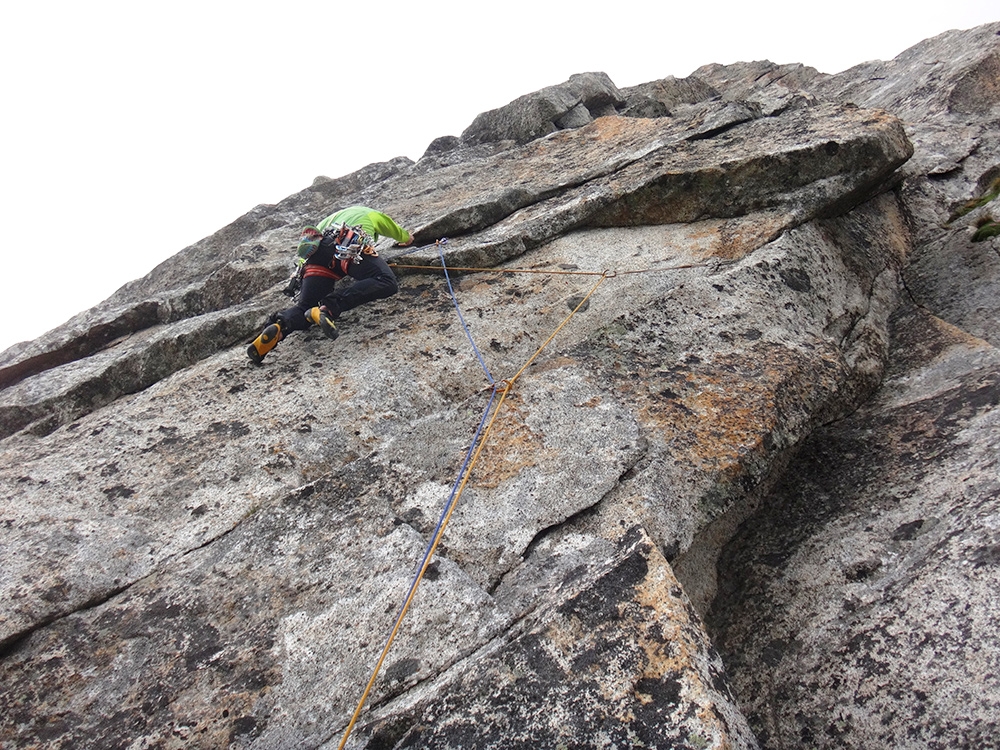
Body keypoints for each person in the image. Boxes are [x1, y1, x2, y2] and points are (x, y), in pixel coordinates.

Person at [247, 205, 413, 365]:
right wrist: (408, 238)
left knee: (304, 307)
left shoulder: (326, 222)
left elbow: (308, 250)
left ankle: (280, 326)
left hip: (315, 258)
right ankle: (328, 307)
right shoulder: (369, 213)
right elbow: (397, 232)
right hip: (348, 245)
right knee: (386, 281)